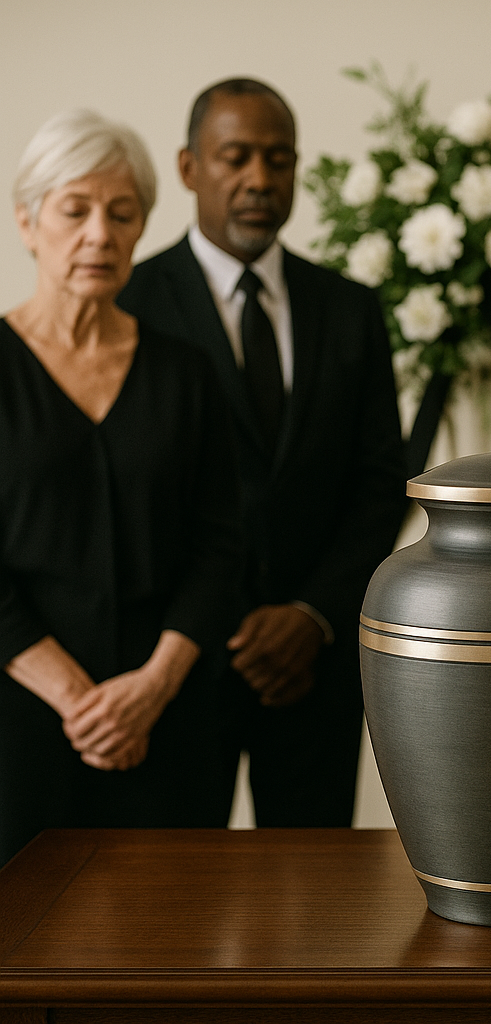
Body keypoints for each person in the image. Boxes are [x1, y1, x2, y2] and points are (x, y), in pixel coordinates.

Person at [119, 79, 407, 827]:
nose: (259, 180)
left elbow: (379, 484)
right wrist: (210, 626)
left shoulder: (350, 309)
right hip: (175, 667)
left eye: (279, 160)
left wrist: (312, 615)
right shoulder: (129, 304)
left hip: (313, 667)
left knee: (313, 917)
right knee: (171, 910)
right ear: (188, 168)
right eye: (236, 157)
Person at [0, 110, 243, 865]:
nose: (99, 234)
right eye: (75, 211)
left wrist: (150, 690)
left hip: (171, 715)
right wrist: (81, 703)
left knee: (173, 946)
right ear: (28, 221)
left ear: (142, 229)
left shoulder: (188, 371)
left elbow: (223, 544)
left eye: (122, 213)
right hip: (21, 718)